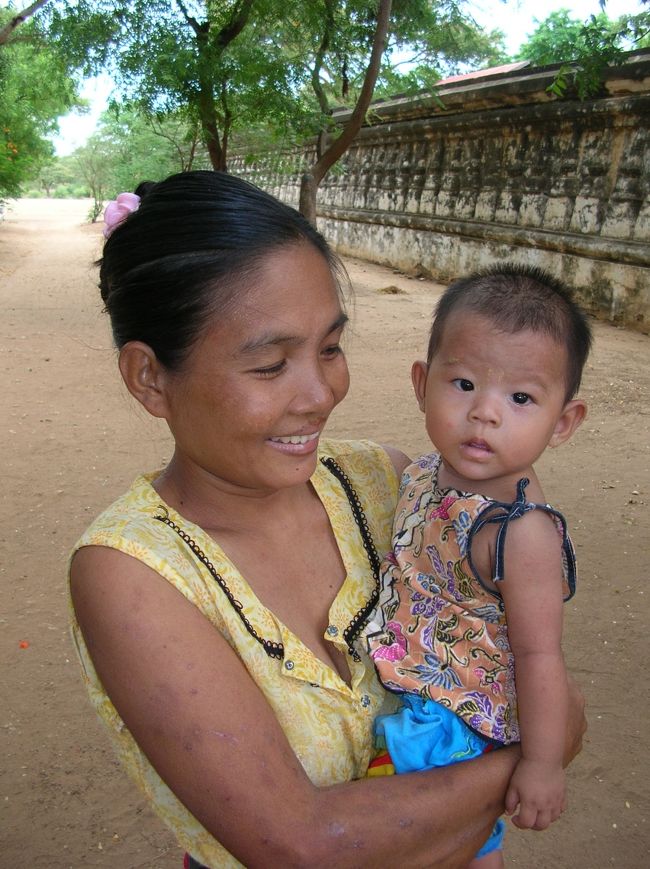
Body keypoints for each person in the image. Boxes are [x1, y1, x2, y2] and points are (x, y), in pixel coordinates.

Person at [68, 171, 585, 868]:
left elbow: (542, 678)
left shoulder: (390, 485)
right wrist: (525, 763)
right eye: (271, 364)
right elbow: (303, 844)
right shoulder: (132, 572)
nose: (321, 393)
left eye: (331, 348)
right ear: (150, 376)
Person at [367, 265, 592, 868]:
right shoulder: (418, 472)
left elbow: (540, 654)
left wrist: (542, 763)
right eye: (463, 383)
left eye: (520, 398)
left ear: (563, 421)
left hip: (457, 727)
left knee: (455, 849)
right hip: (402, 695)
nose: (485, 413)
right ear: (422, 383)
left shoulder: (522, 533)